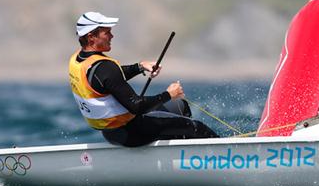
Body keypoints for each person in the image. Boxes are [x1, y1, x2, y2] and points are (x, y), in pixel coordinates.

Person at [69, 11, 218, 147]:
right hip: (131, 133)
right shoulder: (104, 68)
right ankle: (227, 155)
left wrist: (140, 67)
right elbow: (137, 106)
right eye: (107, 33)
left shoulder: (79, 60)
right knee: (196, 127)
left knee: (180, 105)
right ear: (91, 37)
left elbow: (109, 80)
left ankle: (178, 152)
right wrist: (168, 94)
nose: (112, 36)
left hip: (112, 133)